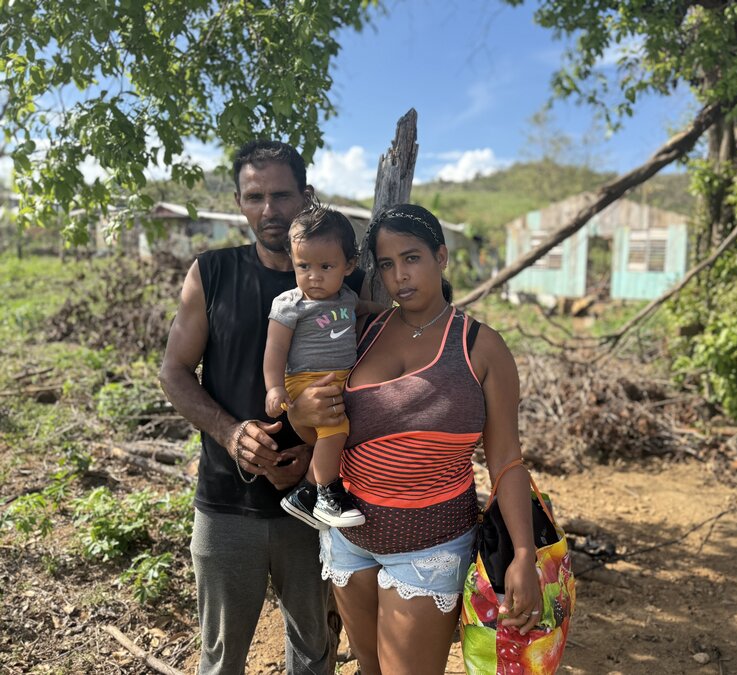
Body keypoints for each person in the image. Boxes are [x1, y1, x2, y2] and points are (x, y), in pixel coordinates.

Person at [318, 204, 542, 675]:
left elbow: (506, 460)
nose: (399, 275)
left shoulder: (481, 347)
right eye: (386, 264)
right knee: (370, 669)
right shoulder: (361, 332)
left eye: (412, 257)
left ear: (441, 256)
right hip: (350, 539)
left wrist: (524, 553)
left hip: (431, 546)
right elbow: (320, 421)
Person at [159, 140, 352, 675]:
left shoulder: (342, 283)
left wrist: (312, 457)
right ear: (240, 201)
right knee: (221, 659)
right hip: (226, 503)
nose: (270, 210)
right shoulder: (211, 274)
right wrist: (230, 433)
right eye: (254, 196)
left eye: (282, 195)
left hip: (315, 507)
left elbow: (375, 386)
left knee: (315, 652)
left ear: (305, 196)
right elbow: (174, 372)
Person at [263, 203, 374, 528]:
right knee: (335, 428)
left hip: (342, 378)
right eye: (304, 266)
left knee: (343, 432)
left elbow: (362, 307)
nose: (313, 276)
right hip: (307, 381)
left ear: (348, 265)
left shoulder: (346, 298)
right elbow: (275, 349)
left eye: (326, 266)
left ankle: (304, 495)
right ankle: (328, 495)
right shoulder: (290, 304)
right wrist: (274, 387)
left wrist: (388, 310)